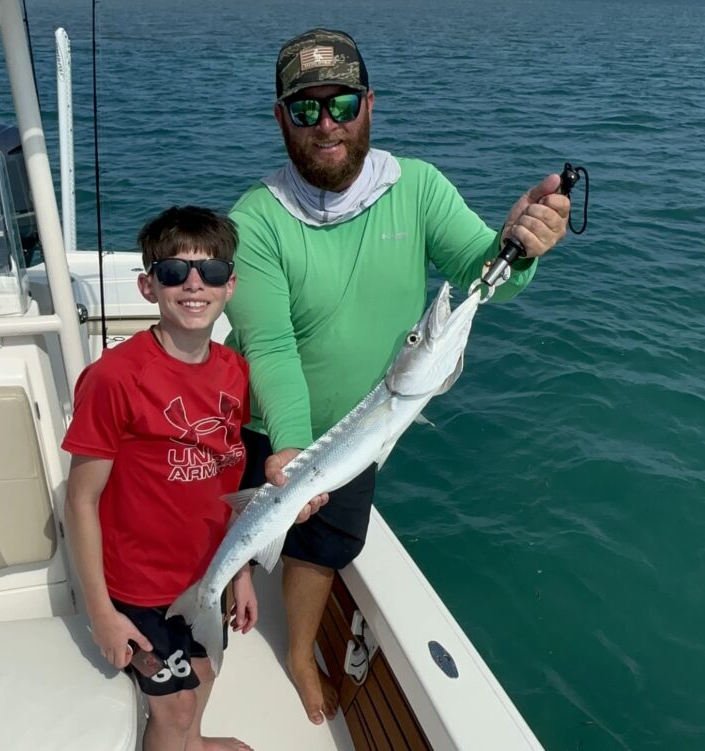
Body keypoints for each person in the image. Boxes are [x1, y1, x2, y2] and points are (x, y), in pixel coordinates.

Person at [224, 28, 572, 725]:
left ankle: (295, 652)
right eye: (304, 109)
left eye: (341, 103)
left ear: (370, 105)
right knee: (234, 530)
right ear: (280, 119)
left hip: (364, 428)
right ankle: (223, 593)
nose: (326, 124)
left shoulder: (417, 188)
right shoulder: (256, 219)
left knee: (322, 547)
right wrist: (293, 450)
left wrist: (519, 248)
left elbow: (483, 280)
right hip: (265, 424)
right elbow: (270, 347)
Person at [62, 206, 257, 751]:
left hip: (204, 577)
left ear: (230, 285)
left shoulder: (235, 370)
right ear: (149, 286)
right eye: (174, 272)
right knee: (176, 707)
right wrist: (102, 612)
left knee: (208, 675)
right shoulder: (113, 379)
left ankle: (192, 747)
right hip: (138, 591)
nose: (194, 286)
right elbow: (81, 501)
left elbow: (232, 483)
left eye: (212, 273)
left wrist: (239, 574)